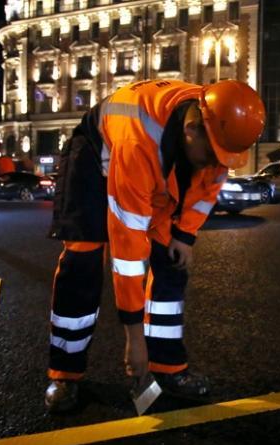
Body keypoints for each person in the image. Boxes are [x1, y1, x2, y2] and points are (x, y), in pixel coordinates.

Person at [44, 79, 265, 412]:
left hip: (161, 157)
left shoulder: (216, 134)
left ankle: (168, 368)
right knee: (83, 263)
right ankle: (65, 373)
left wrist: (184, 236)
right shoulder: (139, 143)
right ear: (192, 129)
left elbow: (205, 192)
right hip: (92, 156)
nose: (215, 164)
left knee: (172, 260)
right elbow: (127, 250)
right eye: (211, 155)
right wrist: (134, 342)